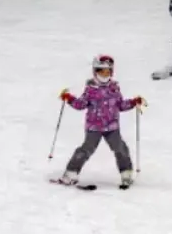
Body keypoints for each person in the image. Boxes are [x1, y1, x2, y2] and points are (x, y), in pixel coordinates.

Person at [56, 55, 144, 187]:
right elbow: (81, 104)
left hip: (112, 127)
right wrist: (69, 98)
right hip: (94, 127)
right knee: (85, 149)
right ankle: (70, 174)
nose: (105, 74)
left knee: (120, 148)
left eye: (108, 71)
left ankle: (126, 174)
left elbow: (120, 105)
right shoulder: (91, 89)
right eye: (101, 71)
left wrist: (133, 102)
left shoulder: (114, 88)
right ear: (95, 71)